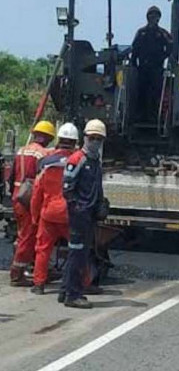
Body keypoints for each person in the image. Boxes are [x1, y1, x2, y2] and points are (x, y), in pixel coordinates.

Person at [60, 119, 106, 309]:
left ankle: (65, 290)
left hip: (89, 213)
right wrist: (77, 207)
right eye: (92, 138)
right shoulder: (78, 159)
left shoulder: (95, 161)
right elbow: (67, 188)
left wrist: (101, 205)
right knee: (78, 254)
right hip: (80, 215)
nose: (95, 142)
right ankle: (73, 294)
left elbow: (96, 186)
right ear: (85, 138)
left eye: (98, 139)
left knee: (78, 254)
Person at [29, 123, 79, 295]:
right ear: (75, 142)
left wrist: (35, 216)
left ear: (58, 139)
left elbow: (37, 192)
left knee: (42, 249)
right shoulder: (79, 160)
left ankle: (38, 284)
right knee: (78, 249)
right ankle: (85, 282)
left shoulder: (46, 162)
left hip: (48, 213)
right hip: (70, 214)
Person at [8, 121, 55, 286]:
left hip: (17, 197)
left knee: (23, 234)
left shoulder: (21, 151)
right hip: (31, 201)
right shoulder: (43, 154)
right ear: (48, 137)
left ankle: (32, 267)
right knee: (28, 236)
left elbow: (11, 177)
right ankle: (17, 274)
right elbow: (44, 180)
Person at [131, 6, 173, 122]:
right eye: (151, 15)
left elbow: (170, 46)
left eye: (155, 15)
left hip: (156, 68)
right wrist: (133, 63)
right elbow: (134, 49)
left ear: (159, 18)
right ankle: (140, 116)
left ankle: (154, 116)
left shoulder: (162, 33)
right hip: (143, 68)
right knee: (141, 92)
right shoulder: (141, 32)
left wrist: (162, 57)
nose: (153, 17)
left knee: (156, 93)